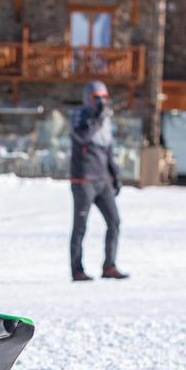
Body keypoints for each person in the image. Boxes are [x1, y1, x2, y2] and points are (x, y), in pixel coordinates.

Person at [68, 81, 127, 281]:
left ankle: (109, 265)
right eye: (96, 98)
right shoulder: (79, 116)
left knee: (114, 221)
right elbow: (82, 137)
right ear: (88, 98)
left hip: (102, 180)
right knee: (80, 226)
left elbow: (108, 150)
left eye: (104, 97)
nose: (101, 101)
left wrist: (115, 175)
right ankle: (77, 269)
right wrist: (97, 118)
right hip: (83, 179)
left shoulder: (105, 120)